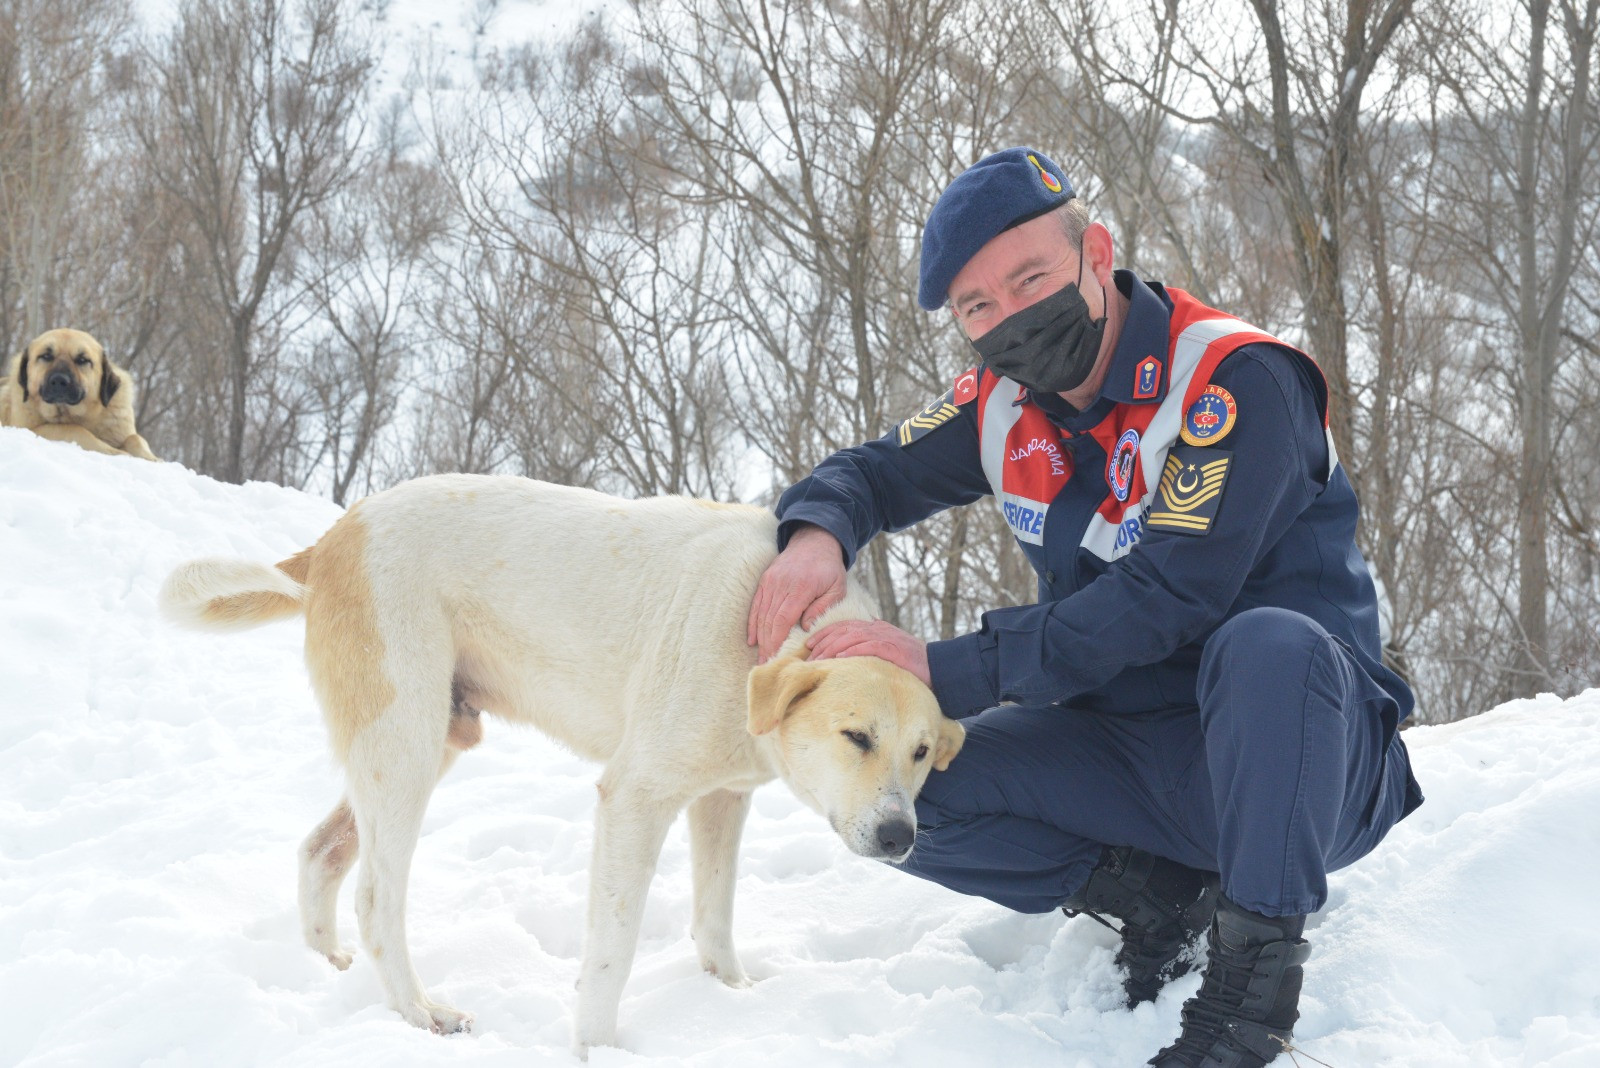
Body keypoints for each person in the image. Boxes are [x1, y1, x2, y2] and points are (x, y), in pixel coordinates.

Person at [745, 146, 1424, 1067]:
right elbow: (871, 471)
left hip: (1302, 763)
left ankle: (1246, 1001)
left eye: (1032, 279)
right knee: (907, 792)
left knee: (1268, 647)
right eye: (980, 306)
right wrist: (819, 532)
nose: (1012, 317)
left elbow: (1169, 599)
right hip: (1132, 758)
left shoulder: (1233, 381)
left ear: (1096, 255)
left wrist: (943, 669)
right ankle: (1156, 898)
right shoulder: (1000, 402)